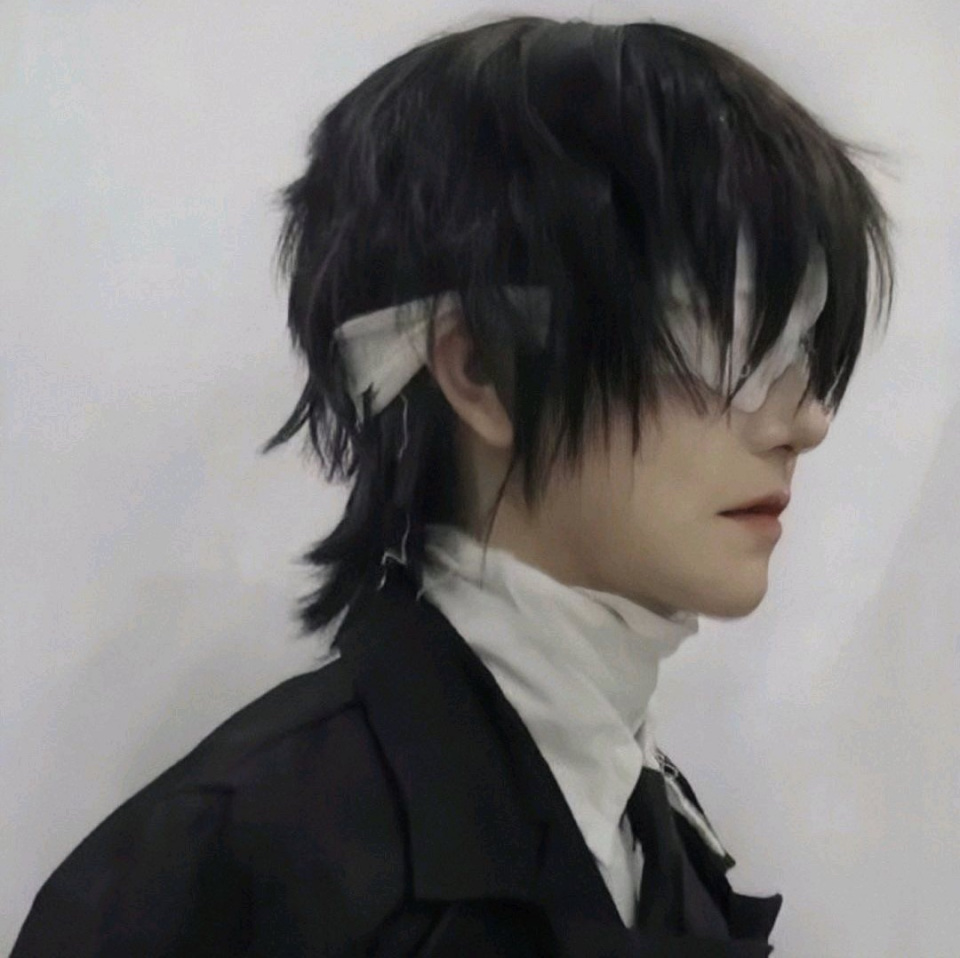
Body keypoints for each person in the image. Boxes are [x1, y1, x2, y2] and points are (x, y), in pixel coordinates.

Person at [12, 15, 894, 957]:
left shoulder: (647, 833)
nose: (806, 422)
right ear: (481, 368)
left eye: (802, 353)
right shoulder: (232, 876)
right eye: (730, 346)